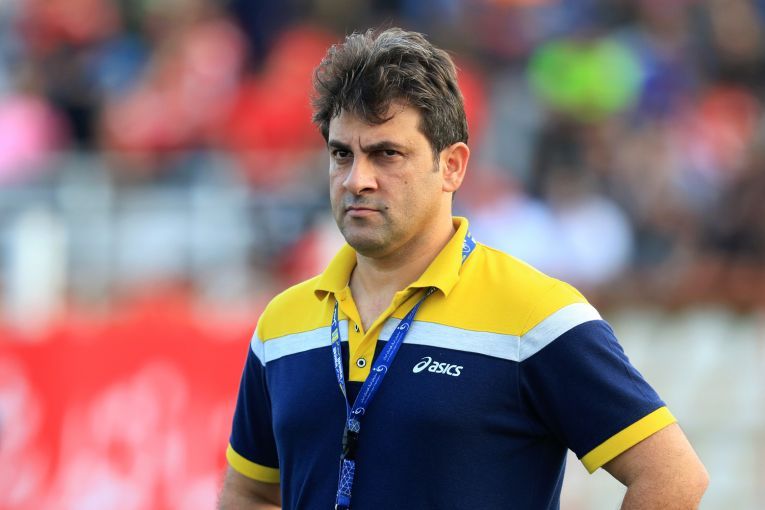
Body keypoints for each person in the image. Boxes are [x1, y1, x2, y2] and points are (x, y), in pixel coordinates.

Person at [218, 27, 709, 510]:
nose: (356, 179)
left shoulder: (536, 315)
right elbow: (251, 493)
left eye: (386, 154)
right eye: (341, 154)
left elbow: (672, 476)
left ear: (452, 166)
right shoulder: (281, 324)